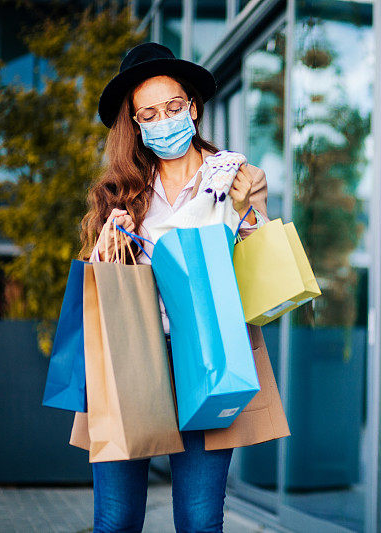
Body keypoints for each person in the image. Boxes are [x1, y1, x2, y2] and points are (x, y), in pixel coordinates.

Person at [77, 42, 265, 533]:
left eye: (174, 107)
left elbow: (263, 276)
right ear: (136, 124)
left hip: (206, 358)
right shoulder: (121, 191)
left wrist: (250, 213)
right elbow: (99, 292)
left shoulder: (235, 177)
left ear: (194, 108)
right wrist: (107, 246)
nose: (164, 120)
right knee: (115, 520)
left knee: (200, 522)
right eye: (150, 113)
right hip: (130, 360)